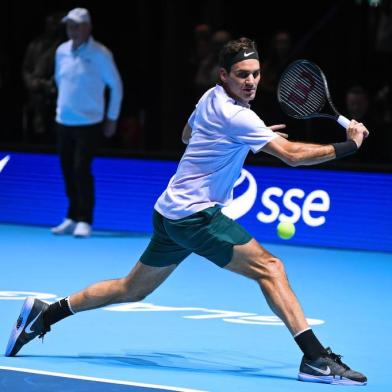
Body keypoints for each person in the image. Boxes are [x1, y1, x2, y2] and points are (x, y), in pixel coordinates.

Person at [5, 37, 368, 386]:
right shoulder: (238, 117)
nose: (251, 81)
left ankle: (44, 314)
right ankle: (315, 359)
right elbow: (291, 155)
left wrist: (242, 139)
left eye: (256, 73)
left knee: (131, 289)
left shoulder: (210, 99)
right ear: (223, 75)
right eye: (242, 74)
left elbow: (186, 136)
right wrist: (348, 145)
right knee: (271, 269)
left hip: (168, 212)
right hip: (196, 216)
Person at [50, 8, 123, 237]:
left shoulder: (101, 53)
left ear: (87, 27)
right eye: (69, 25)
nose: (72, 29)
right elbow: (61, 82)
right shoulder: (61, 51)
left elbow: (117, 87)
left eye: (77, 25)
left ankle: (85, 219)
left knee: (81, 169)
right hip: (63, 120)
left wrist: (111, 117)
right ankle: (71, 216)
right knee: (67, 171)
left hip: (89, 123)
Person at [22, 12, 66, 143]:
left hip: (56, 92)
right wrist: (32, 82)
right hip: (36, 90)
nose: (52, 27)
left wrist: (51, 85)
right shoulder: (35, 45)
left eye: (55, 24)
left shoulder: (64, 47)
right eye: (49, 24)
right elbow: (26, 68)